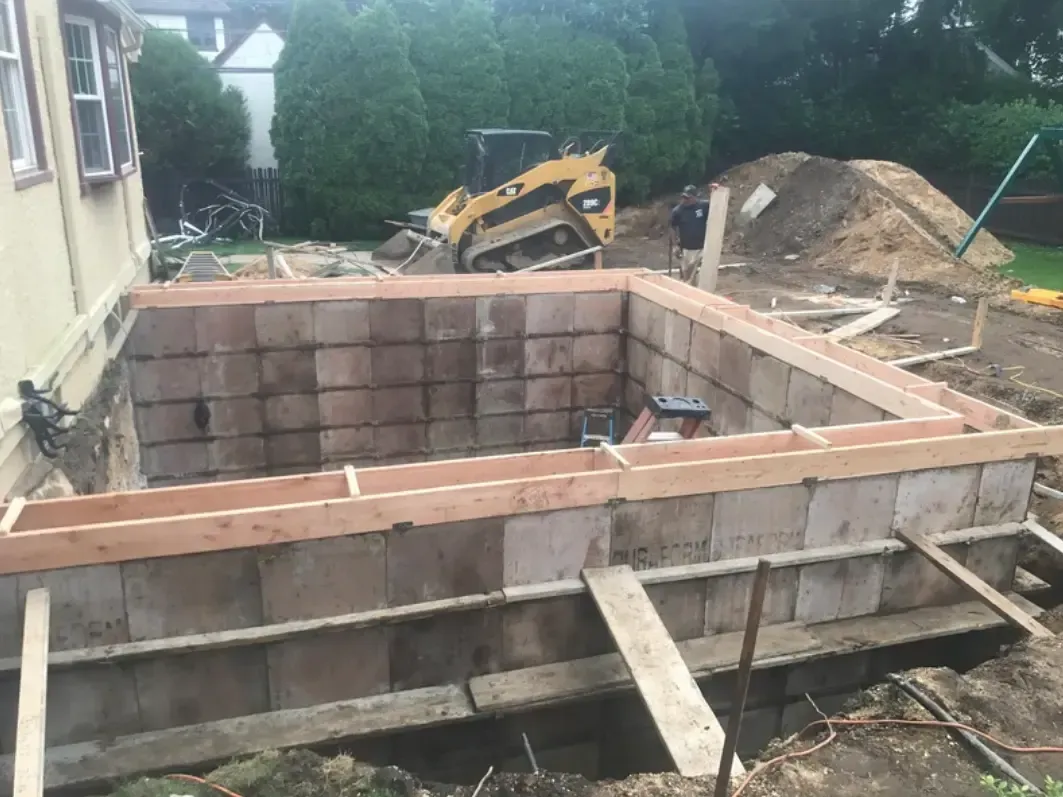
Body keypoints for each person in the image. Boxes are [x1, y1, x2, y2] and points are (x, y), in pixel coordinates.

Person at [670, 185, 710, 283]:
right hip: (686, 249)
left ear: (695, 197)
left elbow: (718, 205)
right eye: (683, 197)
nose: (685, 200)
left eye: (688, 198)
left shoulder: (704, 206)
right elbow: (672, 227)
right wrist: (675, 245)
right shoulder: (678, 211)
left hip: (702, 248)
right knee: (687, 276)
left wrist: (717, 189)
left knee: (700, 275)